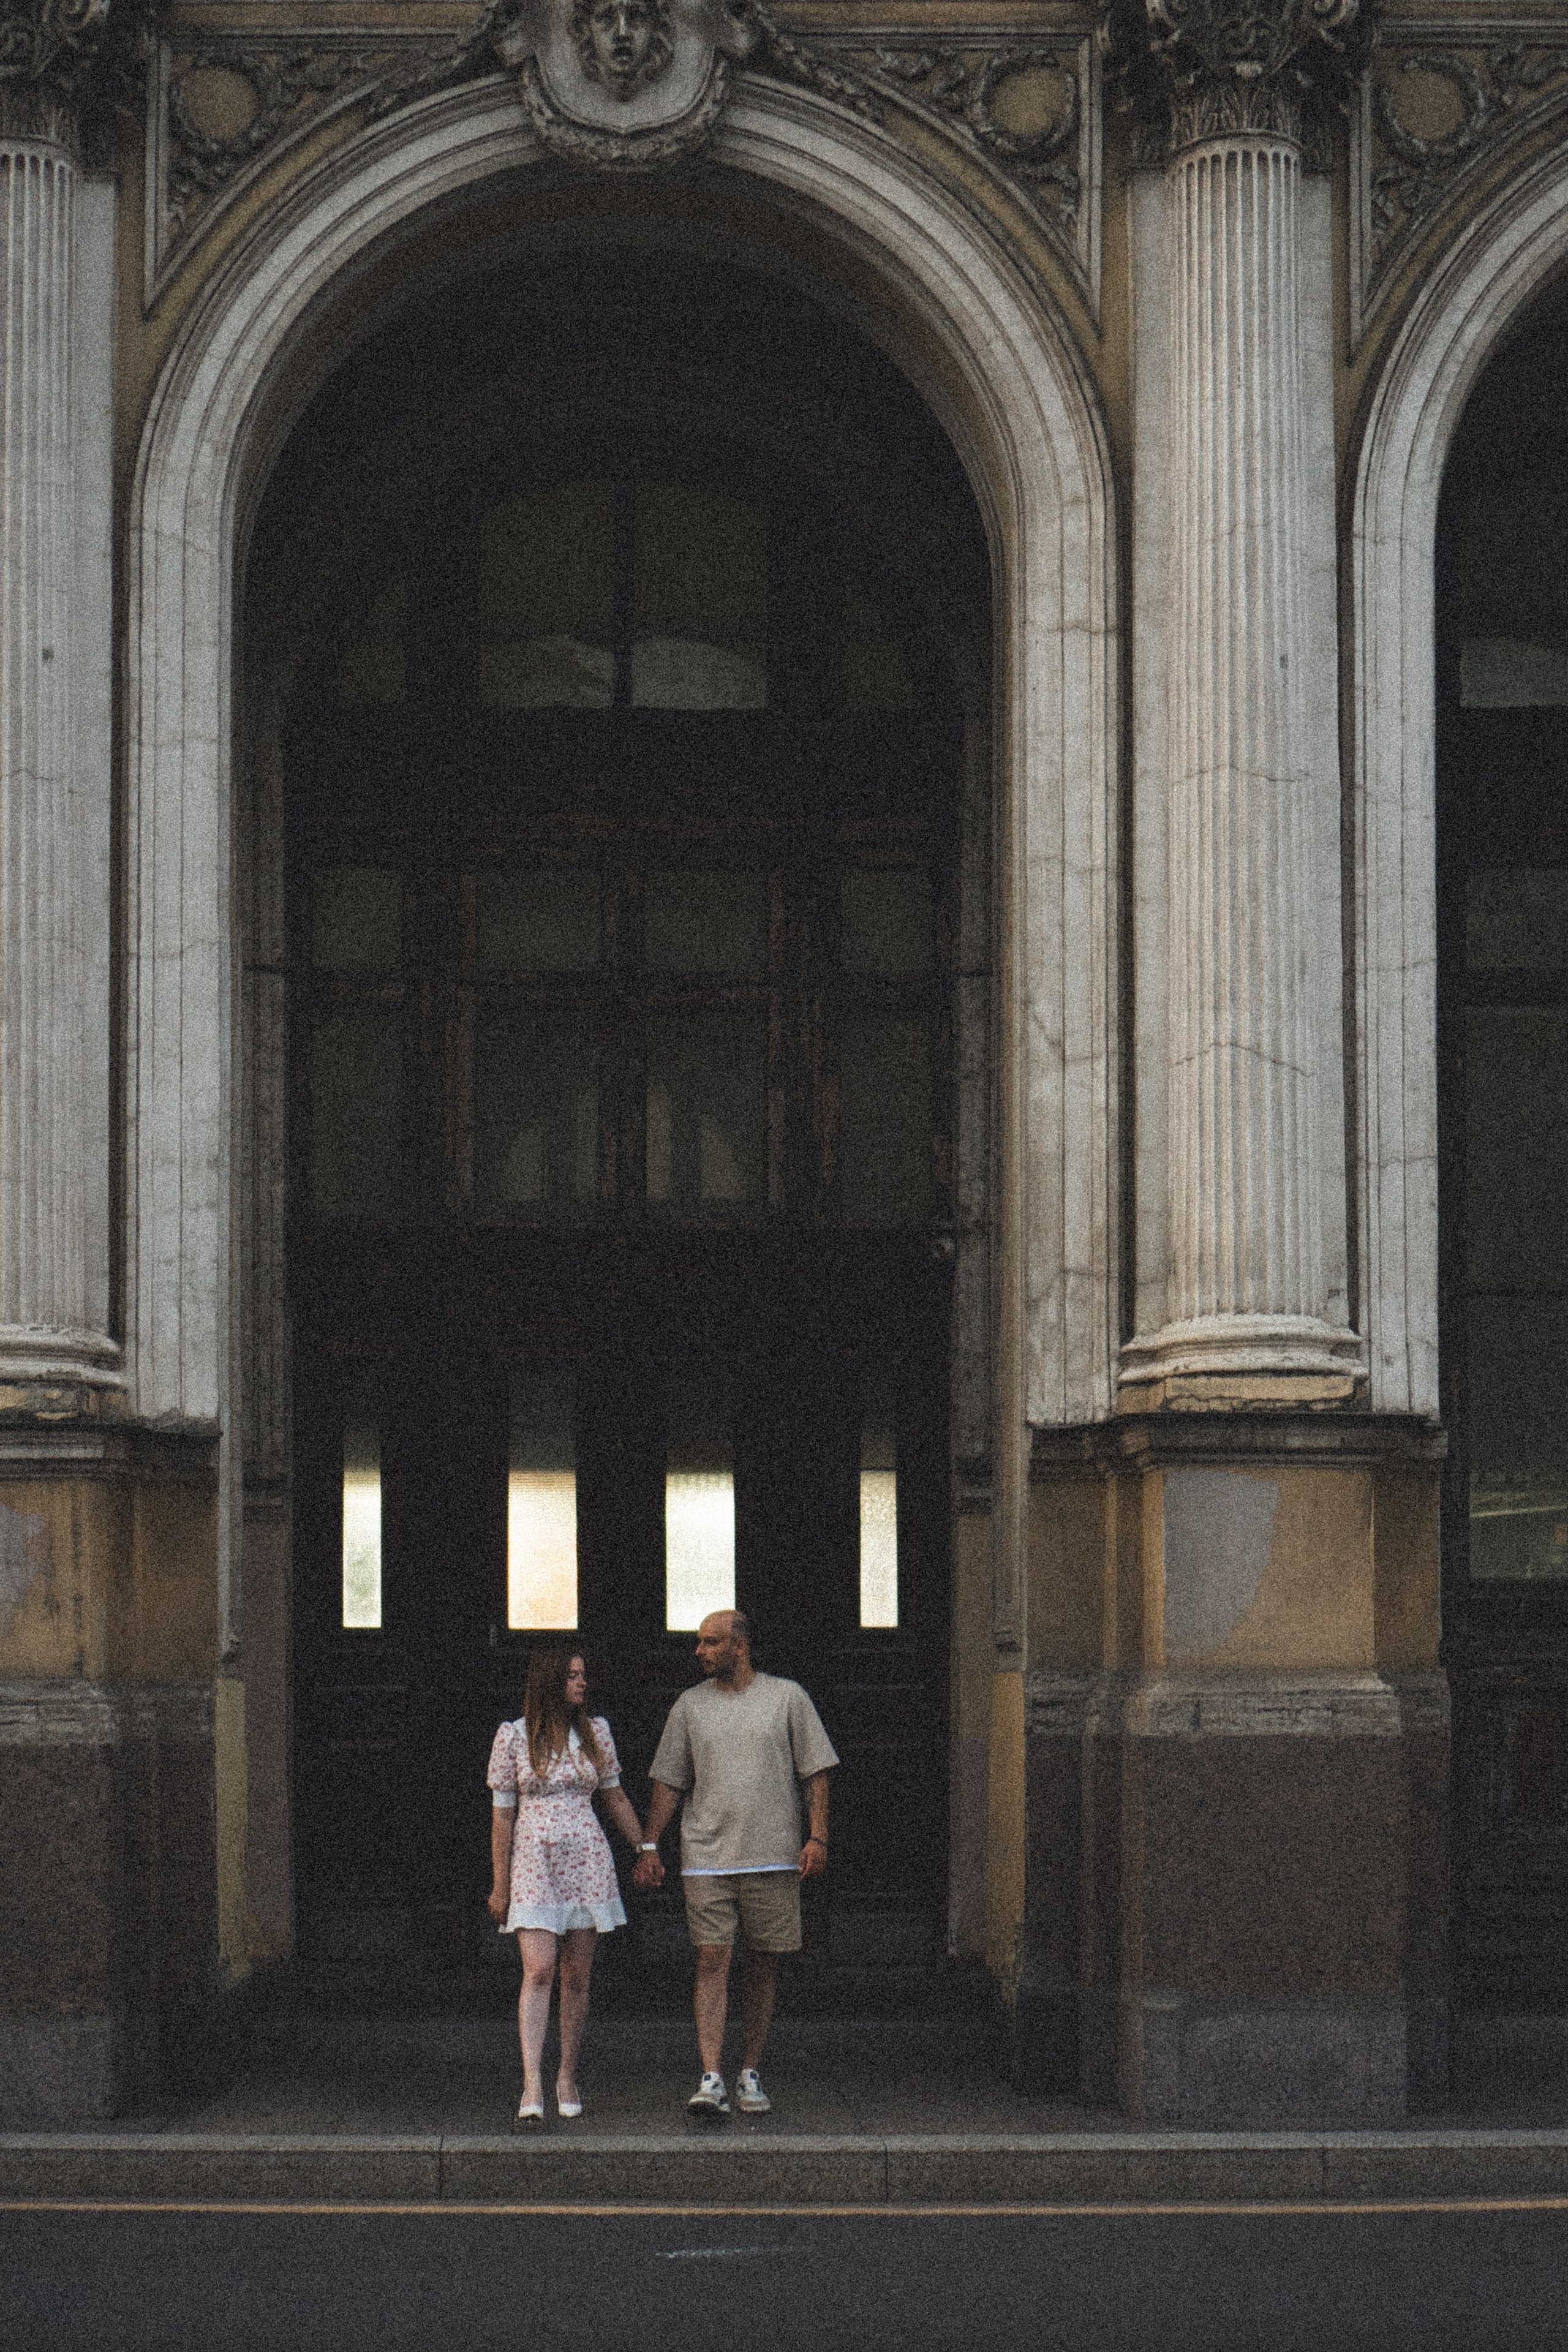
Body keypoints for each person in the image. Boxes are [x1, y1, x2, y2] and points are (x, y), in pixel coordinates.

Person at [632, 1608, 838, 2120]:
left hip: (773, 1854)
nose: (699, 1651)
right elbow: (669, 1781)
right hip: (707, 1856)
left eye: (710, 1642)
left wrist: (818, 1837)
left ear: (739, 1647)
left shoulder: (787, 1698)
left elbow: (815, 1772)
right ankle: (711, 2076)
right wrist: (650, 1845)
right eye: (700, 1642)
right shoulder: (690, 1705)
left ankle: (750, 2071)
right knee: (711, 1959)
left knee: (764, 1962)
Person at [486, 1648, 649, 2126]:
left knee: (577, 1973)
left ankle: (566, 2076)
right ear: (552, 1681)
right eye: (573, 1676)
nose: (582, 1683)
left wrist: (644, 1847)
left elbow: (615, 1796)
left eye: (583, 1675)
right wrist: (500, 1884)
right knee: (539, 1969)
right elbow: (502, 1817)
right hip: (534, 1862)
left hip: (586, 1860)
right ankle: (532, 2081)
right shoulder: (514, 1736)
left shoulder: (595, 1732)